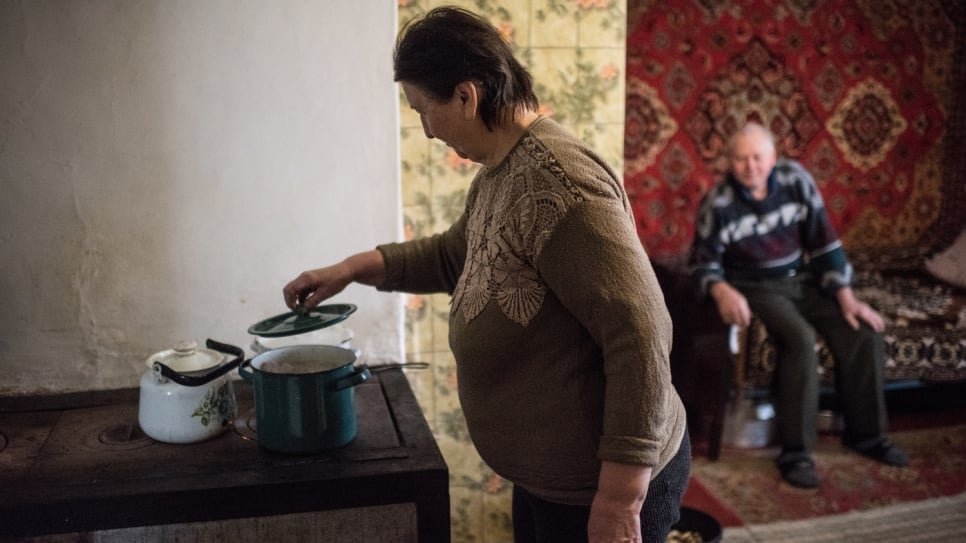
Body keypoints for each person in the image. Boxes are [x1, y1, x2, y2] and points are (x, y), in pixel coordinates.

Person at [282, 7, 689, 542]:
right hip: (550, 480)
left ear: (466, 96)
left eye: (423, 111)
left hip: (602, 490)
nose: (426, 131)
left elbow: (641, 334)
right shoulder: (502, 171)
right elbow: (455, 255)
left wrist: (619, 499)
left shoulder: (563, 188)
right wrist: (349, 270)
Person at [689, 122, 909, 489]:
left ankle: (866, 435)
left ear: (773, 158)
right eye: (741, 159)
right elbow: (702, 264)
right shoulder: (719, 203)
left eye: (758, 157)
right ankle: (796, 451)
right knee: (799, 339)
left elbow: (824, 244)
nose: (750, 167)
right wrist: (722, 290)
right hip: (754, 284)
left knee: (863, 331)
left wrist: (846, 296)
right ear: (729, 162)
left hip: (801, 279)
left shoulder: (797, 181)